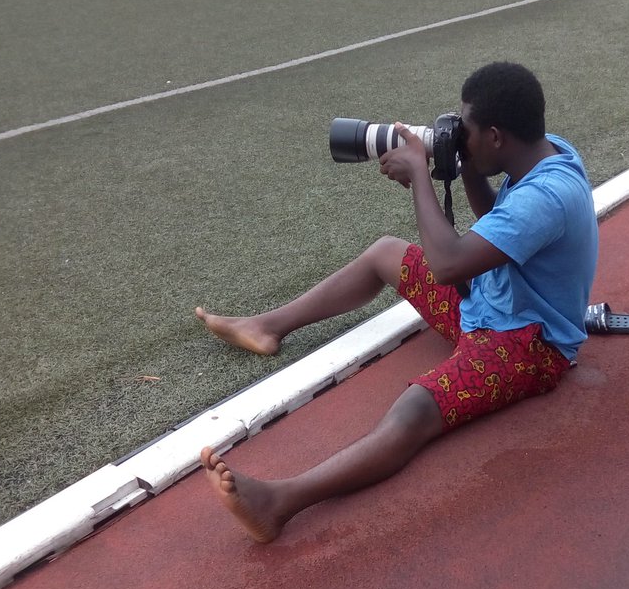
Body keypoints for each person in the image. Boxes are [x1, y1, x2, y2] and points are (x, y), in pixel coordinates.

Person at [195, 62, 599, 544]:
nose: (457, 132)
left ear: (494, 136)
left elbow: (449, 265)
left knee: (416, 407)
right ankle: (268, 326)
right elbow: (498, 219)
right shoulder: (542, 152)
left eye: (466, 128)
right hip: (492, 300)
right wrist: (464, 165)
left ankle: (280, 503)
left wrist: (421, 181)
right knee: (387, 252)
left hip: (528, 343)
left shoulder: (548, 196)